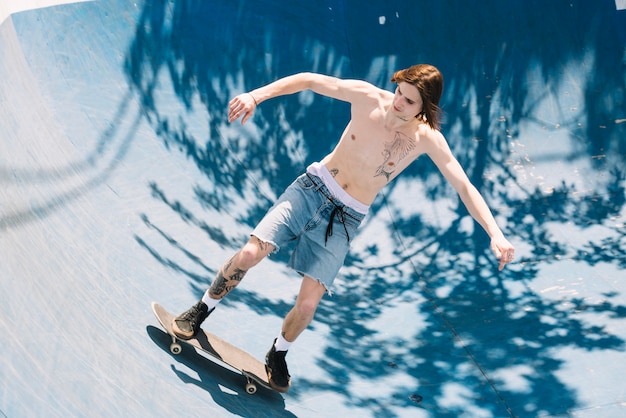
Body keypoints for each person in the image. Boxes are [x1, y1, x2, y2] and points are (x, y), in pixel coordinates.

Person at [171, 65, 515, 393]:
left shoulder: (427, 139)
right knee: (249, 253)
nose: (398, 102)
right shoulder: (367, 97)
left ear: (425, 107)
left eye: (409, 101)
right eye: (399, 92)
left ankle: (278, 353)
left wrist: (495, 233)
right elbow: (308, 80)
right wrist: (256, 96)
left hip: (345, 219)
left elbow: (464, 186)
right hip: (310, 190)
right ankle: (201, 309)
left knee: (307, 306)